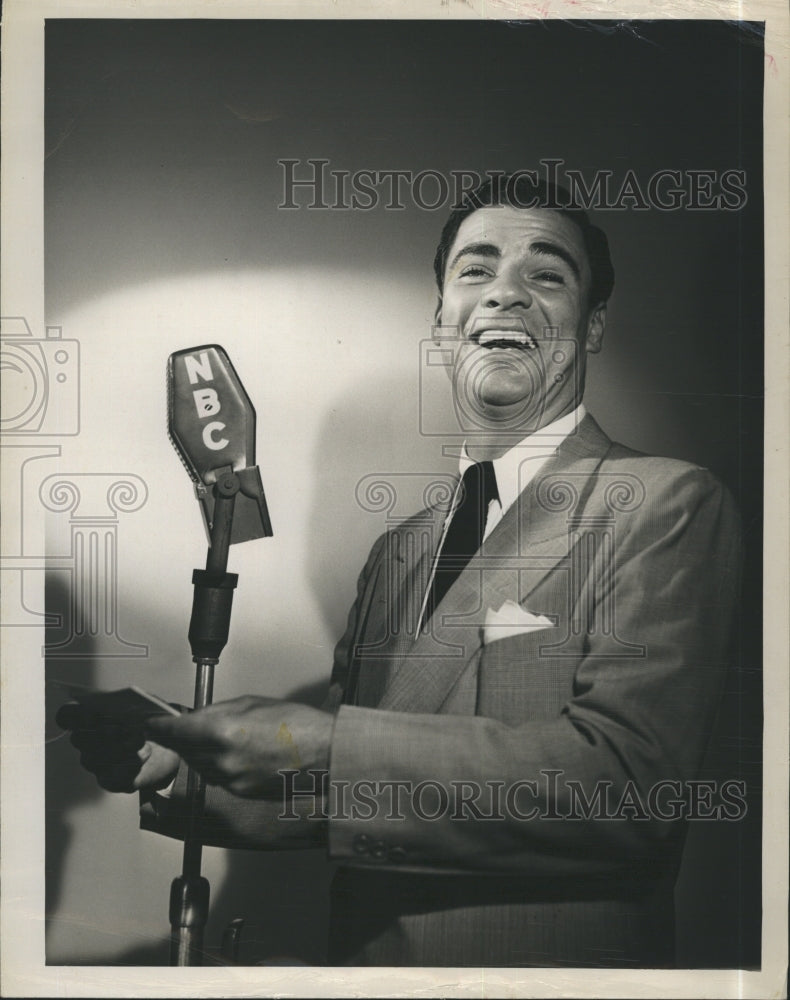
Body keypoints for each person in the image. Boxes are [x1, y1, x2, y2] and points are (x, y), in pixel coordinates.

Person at [58, 174, 740, 968]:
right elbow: (345, 800)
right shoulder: (400, 551)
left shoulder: (664, 501)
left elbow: (630, 789)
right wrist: (181, 764)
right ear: (442, 320)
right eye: (475, 271)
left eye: (547, 275)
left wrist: (324, 746)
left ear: (592, 327)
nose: (505, 296)